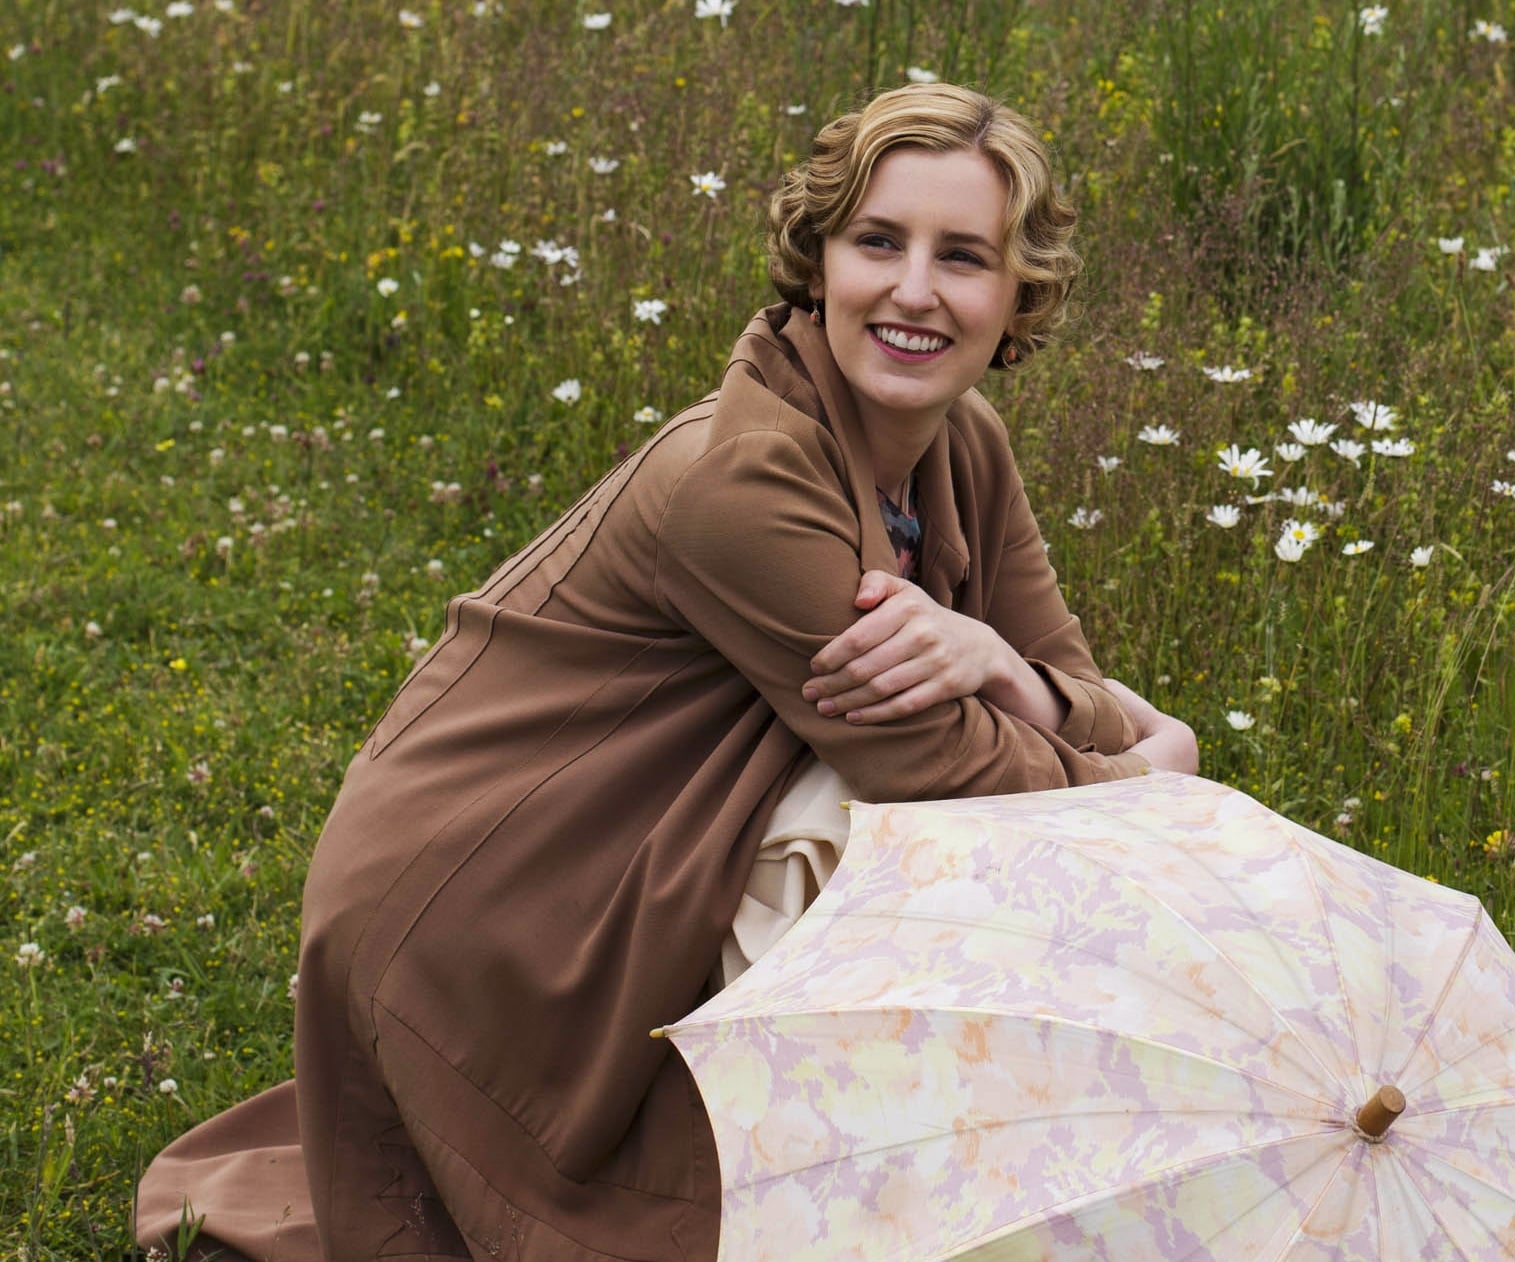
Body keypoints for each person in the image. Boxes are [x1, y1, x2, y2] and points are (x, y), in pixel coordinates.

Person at [135, 82, 1198, 1261]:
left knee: (908, 840)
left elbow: (1061, 688)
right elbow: (945, 771)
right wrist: (1157, 777)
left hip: (649, 841)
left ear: (1017, 294)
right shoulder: (739, 481)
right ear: (819, 260)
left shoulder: (964, 446)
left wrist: (1020, 677)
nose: (914, 290)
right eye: (877, 241)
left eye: (962, 256)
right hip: (496, 886)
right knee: (858, 833)